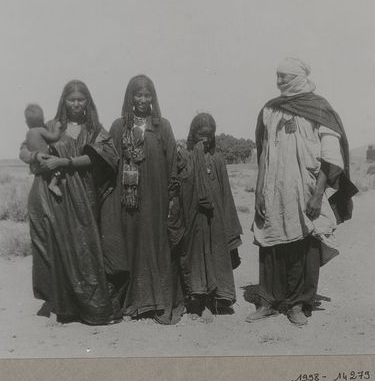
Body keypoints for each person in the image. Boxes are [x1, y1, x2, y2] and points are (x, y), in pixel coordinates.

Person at [248, 58, 358, 326]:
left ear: (297, 77)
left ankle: (298, 303)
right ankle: (269, 301)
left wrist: (318, 194)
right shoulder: (270, 110)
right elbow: (263, 154)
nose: (279, 81)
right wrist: (259, 192)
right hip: (273, 189)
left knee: (303, 242)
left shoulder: (319, 108)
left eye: (284, 76)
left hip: (305, 189)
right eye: (277, 76)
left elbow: (330, 157)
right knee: (270, 241)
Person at [19, 80, 119, 325]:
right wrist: (34, 156)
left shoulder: (95, 128)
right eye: (71, 99)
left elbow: (102, 156)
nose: (76, 104)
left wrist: (63, 163)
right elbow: (24, 149)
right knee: (55, 246)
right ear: (63, 100)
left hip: (83, 194)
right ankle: (63, 306)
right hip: (53, 194)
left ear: (88, 102)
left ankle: (91, 308)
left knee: (84, 246)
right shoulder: (52, 126)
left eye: (81, 99)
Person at [100, 75, 184, 325]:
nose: (143, 100)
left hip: (156, 198)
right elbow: (109, 161)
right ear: (130, 97)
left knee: (157, 244)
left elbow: (172, 166)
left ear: (153, 98)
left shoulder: (162, 126)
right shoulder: (118, 127)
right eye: (138, 95)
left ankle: (160, 302)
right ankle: (135, 302)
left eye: (147, 95)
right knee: (132, 244)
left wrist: (172, 197)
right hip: (128, 200)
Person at [170, 113, 242, 322]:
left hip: (214, 220)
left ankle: (214, 300)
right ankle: (197, 303)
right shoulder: (185, 156)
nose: (205, 140)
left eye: (209, 136)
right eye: (201, 135)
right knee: (195, 259)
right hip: (193, 218)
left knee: (215, 257)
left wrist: (230, 226)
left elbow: (226, 194)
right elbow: (179, 186)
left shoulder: (218, 159)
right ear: (193, 133)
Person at [23, 103, 63, 199]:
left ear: (27, 122)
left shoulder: (28, 134)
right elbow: (54, 137)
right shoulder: (41, 130)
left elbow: (26, 149)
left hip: (35, 166)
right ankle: (53, 184)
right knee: (59, 169)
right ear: (42, 120)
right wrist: (57, 128)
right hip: (45, 161)